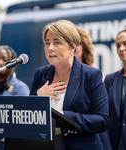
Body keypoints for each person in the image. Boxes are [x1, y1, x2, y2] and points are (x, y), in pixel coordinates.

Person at [30, 19, 109, 150]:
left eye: (57, 42)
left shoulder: (91, 75)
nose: (50, 48)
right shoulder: (41, 74)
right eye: (47, 43)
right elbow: (28, 114)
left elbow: (102, 121)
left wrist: (63, 116)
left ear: (72, 47)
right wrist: (37, 95)